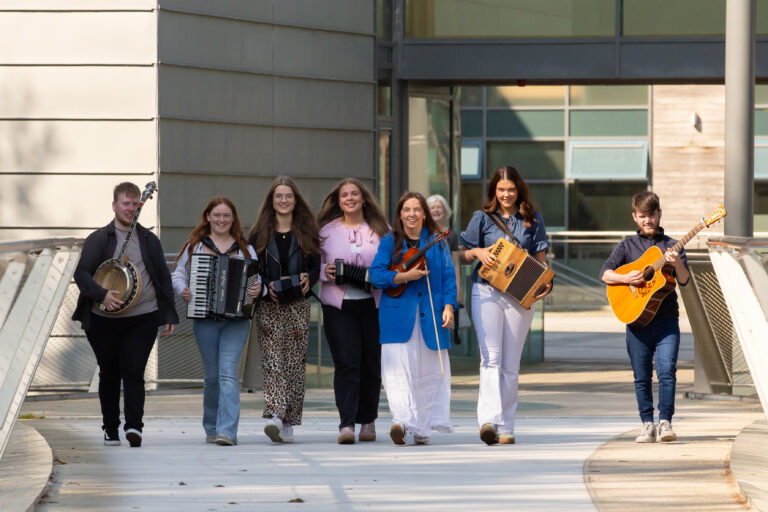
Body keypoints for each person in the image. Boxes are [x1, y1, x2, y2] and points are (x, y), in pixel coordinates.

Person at [72, 182, 178, 447]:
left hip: (143, 316)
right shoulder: (99, 239)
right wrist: (102, 295)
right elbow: (81, 273)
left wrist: (169, 315)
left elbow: (163, 278)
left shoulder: (149, 240)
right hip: (102, 319)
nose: (130, 208)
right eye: (125, 203)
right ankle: (110, 428)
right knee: (109, 373)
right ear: (114, 206)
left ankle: (134, 427)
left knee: (133, 370)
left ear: (139, 205)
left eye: (134, 204)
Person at [459, 166, 552, 446]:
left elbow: (541, 259)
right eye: (501, 190)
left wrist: (545, 282)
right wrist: (477, 252)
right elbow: (461, 254)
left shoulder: (533, 219)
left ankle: (506, 426)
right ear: (493, 191)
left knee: (510, 364)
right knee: (490, 359)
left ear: (518, 189)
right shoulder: (482, 218)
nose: (506, 194)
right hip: (486, 291)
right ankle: (488, 421)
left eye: (510, 189)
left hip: (520, 295)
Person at [600, 190, 689, 443]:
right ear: (634, 217)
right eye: (642, 216)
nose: (647, 220)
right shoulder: (626, 246)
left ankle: (666, 423)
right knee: (641, 376)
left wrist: (677, 264)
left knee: (667, 371)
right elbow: (605, 274)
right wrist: (625, 278)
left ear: (659, 214)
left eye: (651, 215)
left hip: (666, 321)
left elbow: (683, 281)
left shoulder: (672, 246)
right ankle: (646, 424)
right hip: (637, 321)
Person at [172, 197, 262, 446]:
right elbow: (179, 274)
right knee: (212, 376)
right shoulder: (196, 247)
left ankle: (227, 431)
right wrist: (184, 290)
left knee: (227, 374)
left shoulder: (245, 249)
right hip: (205, 320)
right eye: (217, 215)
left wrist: (257, 290)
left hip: (237, 321)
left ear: (233, 219)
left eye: (226, 215)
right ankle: (211, 426)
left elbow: (257, 281)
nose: (221, 220)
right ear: (208, 217)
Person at [370, 191, 457, 446]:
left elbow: (449, 278)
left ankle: (423, 428)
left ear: (424, 214)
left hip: (431, 314)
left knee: (428, 370)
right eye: (406, 210)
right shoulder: (389, 242)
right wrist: (404, 277)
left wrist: (449, 307)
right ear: (400, 215)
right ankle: (401, 421)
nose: (412, 214)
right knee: (400, 370)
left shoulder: (438, 242)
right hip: (398, 318)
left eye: (417, 210)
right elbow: (375, 275)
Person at [249, 176, 320, 443]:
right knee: (272, 362)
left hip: (299, 305)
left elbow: (316, 266)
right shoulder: (258, 232)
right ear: (271, 200)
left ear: (295, 200)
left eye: (288, 196)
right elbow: (251, 268)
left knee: (293, 363)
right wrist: (266, 286)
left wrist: (308, 279)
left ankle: (288, 420)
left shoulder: (308, 230)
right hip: (269, 304)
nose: (283, 200)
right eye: (278, 196)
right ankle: (277, 416)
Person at [318, 178, 390, 444]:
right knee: (347, 363)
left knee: (371, 364)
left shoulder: (382, 230)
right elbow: (313, 264)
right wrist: (323, 272)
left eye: (354, 194)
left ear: (364, 198)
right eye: (344, 195)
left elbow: (392, 264)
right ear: (338, 201)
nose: (350, 198)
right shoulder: (325, 231)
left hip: (374, 304)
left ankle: (368, 420)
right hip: (339, 305)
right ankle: (346, 423)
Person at [427, 194, 463, 307]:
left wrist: (458, 290)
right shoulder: (423, 234)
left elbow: (455, 265)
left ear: (445, 211)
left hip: (447, 283)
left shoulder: (451, 235)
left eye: (439, 207)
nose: (436, 210)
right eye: (432, 208)